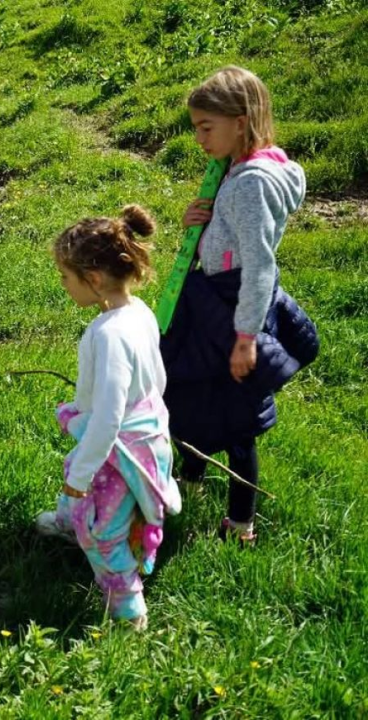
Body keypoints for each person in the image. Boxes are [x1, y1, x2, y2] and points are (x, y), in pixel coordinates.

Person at [162, 66, 317, 545]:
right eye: (195, 128)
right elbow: (230, 236)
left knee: (237, 418)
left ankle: (241, 522)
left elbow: (259, 264)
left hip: (235, 308)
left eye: (206, 127)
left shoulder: (252, 183)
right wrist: (199, 223)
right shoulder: (236, 168)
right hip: (214, 299)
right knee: (190, 385)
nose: (198, 139)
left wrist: (246, 337)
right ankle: (191, 471)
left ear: (241, 119)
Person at [36, 205, 182, 630]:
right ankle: (66, 520)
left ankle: (128, 607)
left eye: (66, 277)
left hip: (119, 448)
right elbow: (158, 378)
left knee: (102, 529)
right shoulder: (139, 312)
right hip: (144, 430)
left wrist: (81, 475)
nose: (62, 285)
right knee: (86, 488)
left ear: (94, 280)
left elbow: (109, 420)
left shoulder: (109, 333)